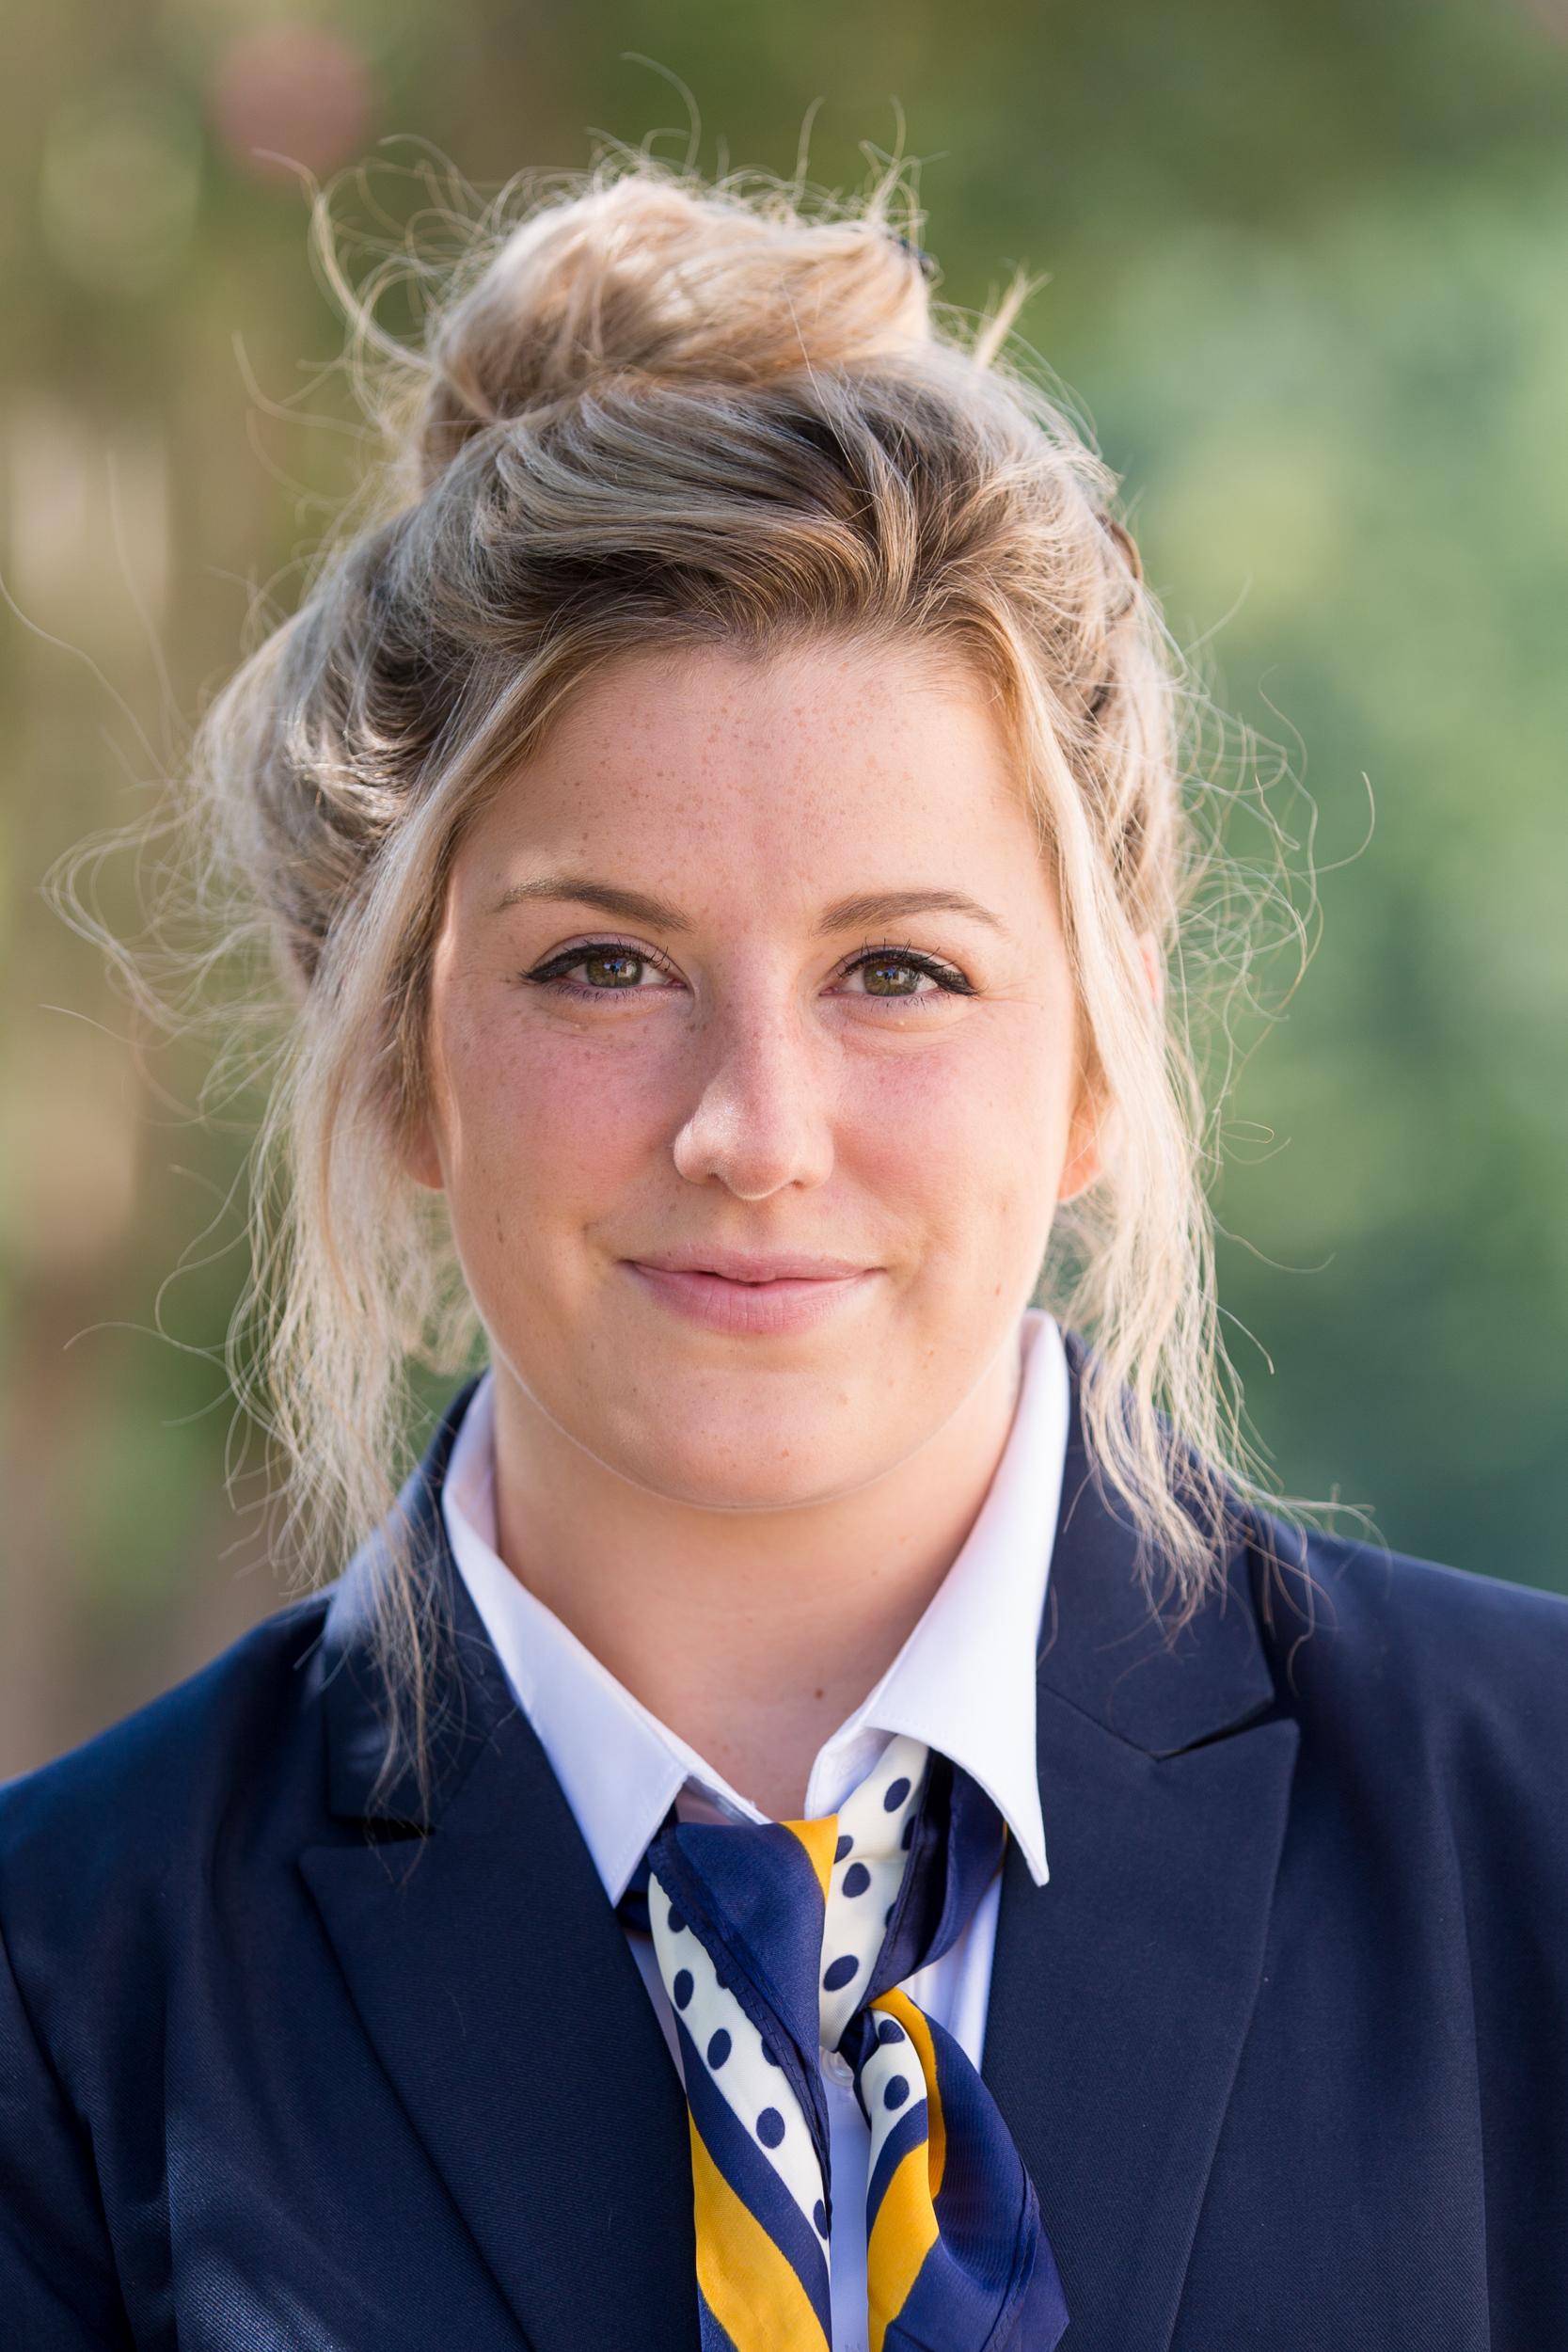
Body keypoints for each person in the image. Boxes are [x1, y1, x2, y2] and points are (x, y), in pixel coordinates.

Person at [1, 152, 1564, 2352]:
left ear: (1100, 1056)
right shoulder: (60, 1994)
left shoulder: (1538, 1829)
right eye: (605, 966)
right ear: (398, 1048)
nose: (753, 1129)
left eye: (901, 971)